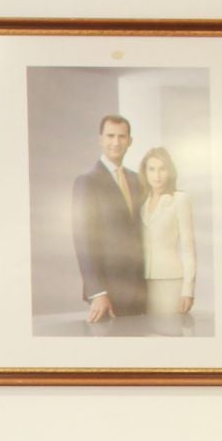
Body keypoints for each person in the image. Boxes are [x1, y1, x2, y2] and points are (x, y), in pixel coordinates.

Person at [74, 114, 146, 324]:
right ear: (100, 140)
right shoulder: (87, 181)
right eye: (110, 136)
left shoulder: (136, 179)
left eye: (122, 137)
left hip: (141, 288)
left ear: (130, 141)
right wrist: (98, 292)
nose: (116, 142)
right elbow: (83, 241)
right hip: (109, 290)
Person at [138, 146, 196, 317]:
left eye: (162, 169)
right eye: (152, 169)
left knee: (169, 331)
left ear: (169, 171)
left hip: (170, 280)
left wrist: (188, 289)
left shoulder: (179, 199)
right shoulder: (141, 201)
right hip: (142, 281)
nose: (157, 175)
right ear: (145, 172)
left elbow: (188, 248)